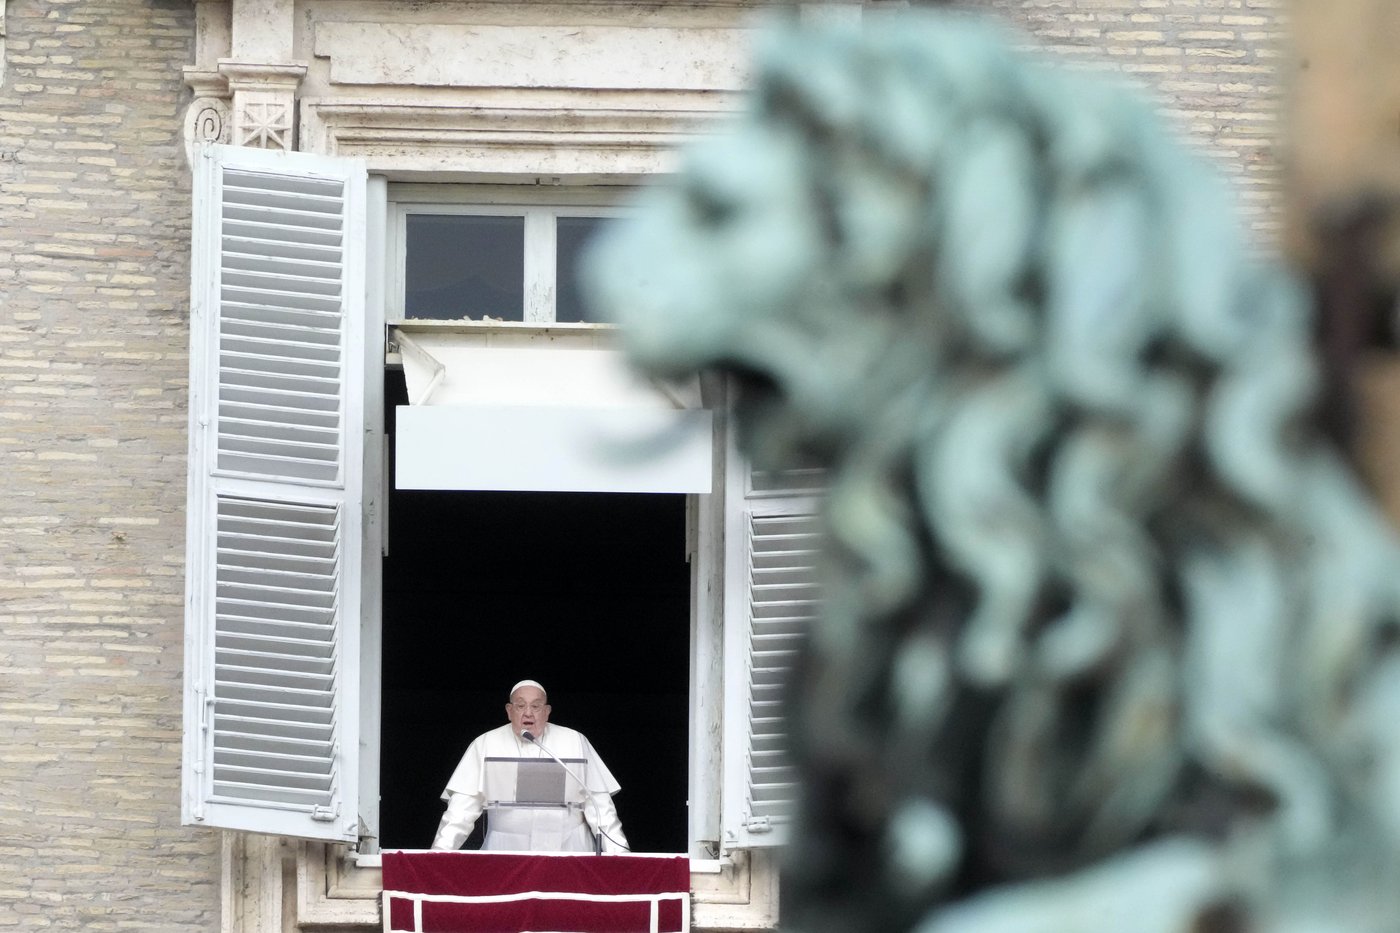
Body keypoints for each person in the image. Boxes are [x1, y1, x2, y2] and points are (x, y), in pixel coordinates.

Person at [430, 680, 630, 853]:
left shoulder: (574, 741)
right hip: (506, 851)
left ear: (547, 711)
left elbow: (600, 807)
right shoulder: (485, 744)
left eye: (536, 706)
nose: (528, 713)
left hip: (569, 849)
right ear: (509, 711)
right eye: (520, 706)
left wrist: (620, 855)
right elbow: (461, 811)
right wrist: (438, 853)